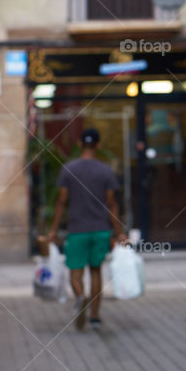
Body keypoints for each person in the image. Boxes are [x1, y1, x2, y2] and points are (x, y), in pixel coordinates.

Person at [48, 128, 126, 330]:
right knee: (96, 271)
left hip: (77, 230)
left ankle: (81, 297)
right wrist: (119, 232)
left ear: (80, 144)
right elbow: (112, 204)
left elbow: (61, 201)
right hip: (100, 229)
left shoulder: (69, 169)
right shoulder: (106, 171)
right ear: (98, 145)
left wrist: (54, 230)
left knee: (75, 272)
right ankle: (95, 317)